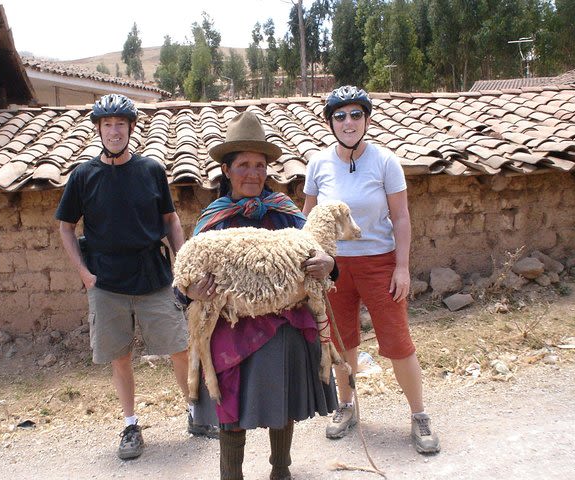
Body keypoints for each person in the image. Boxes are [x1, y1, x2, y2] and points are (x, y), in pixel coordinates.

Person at [54, 94, 212, 461]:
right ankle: (130, 425)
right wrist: (84, 274)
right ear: (99, 129)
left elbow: (170, 221)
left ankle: (196, 413)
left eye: (120, 124)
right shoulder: (83, 176)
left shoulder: (151, 171)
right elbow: (65, 228)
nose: (113, 131)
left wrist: (182, 263)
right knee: (120, 357)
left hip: (153, 276)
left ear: (130, 129)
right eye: (107, 124)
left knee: (180, 347)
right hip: (106, 282)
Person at [182, 111, 339, 480]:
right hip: (231, 330)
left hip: (283, 326)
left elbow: (318, 255)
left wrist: (328, 262)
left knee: (280, 403)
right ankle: (230, 475)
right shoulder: (213, 221)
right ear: (226, 170)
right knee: (231, 411)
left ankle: (280, 470)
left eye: (259, 165)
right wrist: (191, 290)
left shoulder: (286, 214)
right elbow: (184, 278)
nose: (252, 173)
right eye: (243, 165)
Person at [302, 85, 441, 454]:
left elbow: (401, 217)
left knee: (397, 341)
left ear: (366, 118)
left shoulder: (385, 161)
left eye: (355, 114)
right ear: (330, 122)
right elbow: (309, 217)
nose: (348, 122)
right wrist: (308, 260)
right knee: (342, 341)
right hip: (333, 266)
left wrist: (402, 268)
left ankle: (419, 415)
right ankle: (346, 407)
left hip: (380, 262)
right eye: (340, 115)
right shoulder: (318, 164)